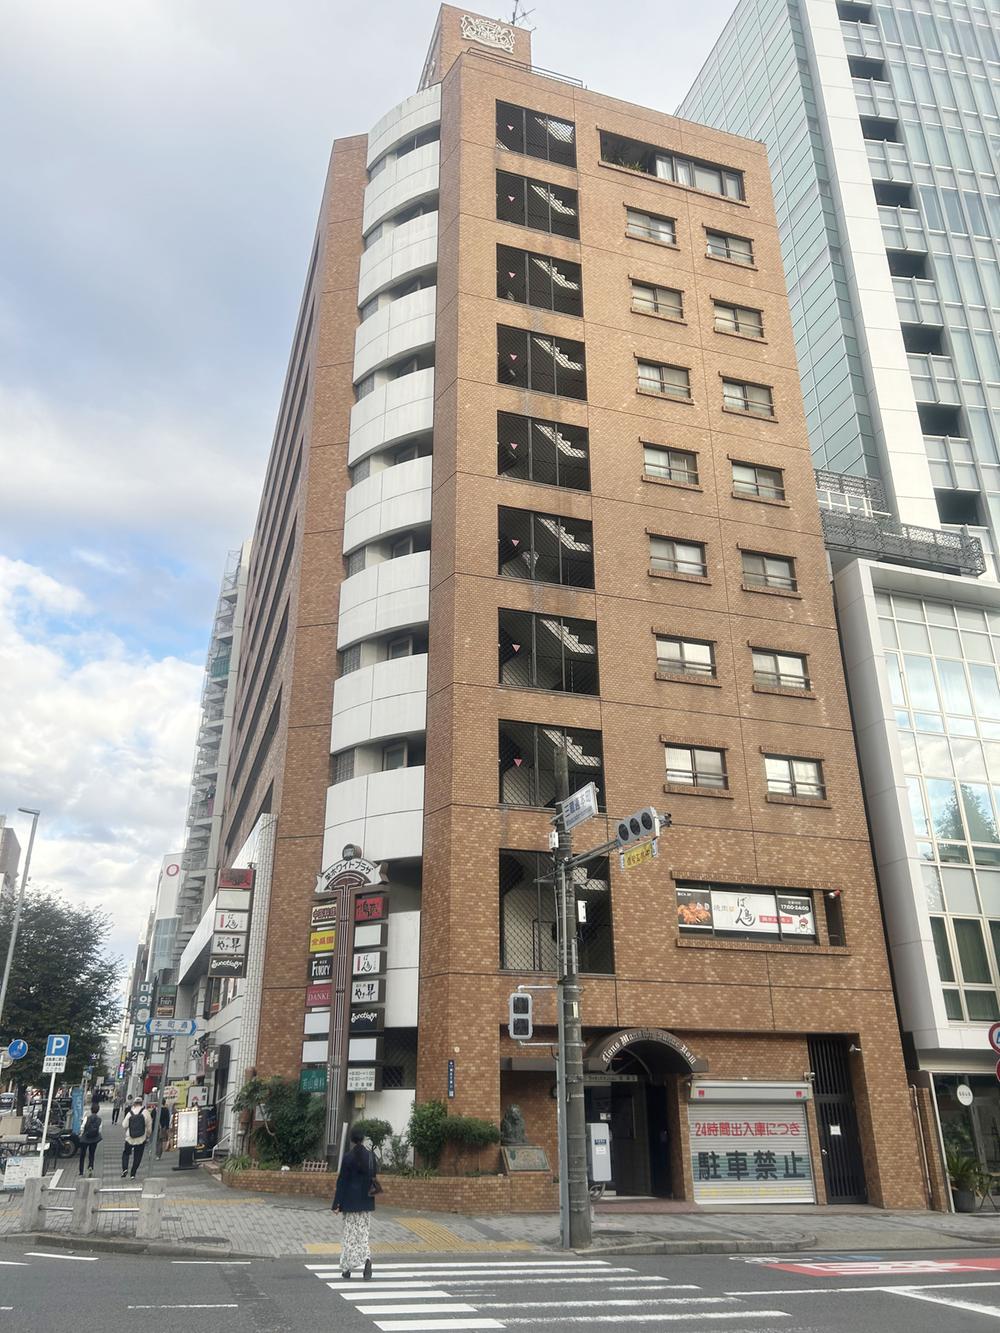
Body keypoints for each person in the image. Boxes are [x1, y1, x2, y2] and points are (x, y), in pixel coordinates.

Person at [331, 1128, 377, 1281]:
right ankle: (367, 1259)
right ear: (363, 1139)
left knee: (349, 1236)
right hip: (366, 1202)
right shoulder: (371, 1156)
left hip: (350, 1202)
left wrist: (337, 1203)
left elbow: (342, 1182)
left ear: (351, 1140)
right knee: (363, 1235)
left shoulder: (348, 1157)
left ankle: (347, 1269)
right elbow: (373, 1176)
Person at [121, 1098, 153, 1179]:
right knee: (138, 1156)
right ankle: (133, 1173)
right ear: (141, 1103)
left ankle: (125, 1168)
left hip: (130, 1138)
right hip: (141, 1138)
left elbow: (124, 1125)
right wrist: (148, 1135)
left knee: (126, 1153)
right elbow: (149, 1127)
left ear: (134, 1104)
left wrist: (128, 1130)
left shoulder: (130, 1113)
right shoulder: (146, 1112)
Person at [78, 1100, 102, 1177]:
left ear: (91, 1110)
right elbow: (99, 1130)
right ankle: (90, 1167)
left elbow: (82, 1127)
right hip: (94, 1139)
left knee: (82, 1155)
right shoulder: (99, 1119)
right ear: (98, 1110)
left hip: (85, 1138)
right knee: (92, 1154)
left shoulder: (87, 1118)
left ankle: (81, 1171)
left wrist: (81, 1134)